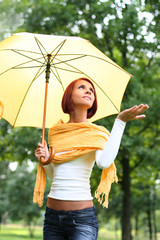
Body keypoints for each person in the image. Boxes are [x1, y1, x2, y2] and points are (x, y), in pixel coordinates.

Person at [34, 77, 149, 240]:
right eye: (81, 87)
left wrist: (120, 121)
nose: (89, 91)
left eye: (91, 90)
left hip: (81, 221)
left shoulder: (96, 132)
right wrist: (45, 160)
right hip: (52, 219)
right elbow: (56, 176)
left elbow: (104, 163)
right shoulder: (55, 132)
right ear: (69, 96)